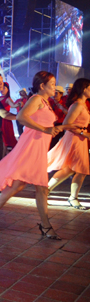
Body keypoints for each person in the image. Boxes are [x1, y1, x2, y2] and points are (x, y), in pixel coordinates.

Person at [0, 71, 77, 240]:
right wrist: (45, 129)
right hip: (31, 148)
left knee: (19, 185)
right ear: (42, 86)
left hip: (38, 148)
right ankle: (45, 225)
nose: (55, 88)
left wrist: (62, 127)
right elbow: (21, 117)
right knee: (41, 188)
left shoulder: (45, 102)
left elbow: (44, 124)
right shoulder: (36, 100)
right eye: (53, 84)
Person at [48, 78, 90, 210]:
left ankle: (71, 197)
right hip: (74, 139)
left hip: (80, 140)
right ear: (84, 89)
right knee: (72, 169)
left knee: (79, 170)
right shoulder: (77, 105)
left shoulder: (83, 105)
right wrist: (83, 133)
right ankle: (49, 191)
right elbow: (66, 124)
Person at [0, 82, 18, 150]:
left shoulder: (8, 99)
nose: (2, 90)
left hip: (5, 121)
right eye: (1, 88)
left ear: (8, 89)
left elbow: (13, 105)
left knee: (5, 139)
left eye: (4, 88)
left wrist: (19, 104)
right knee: (1, 139)